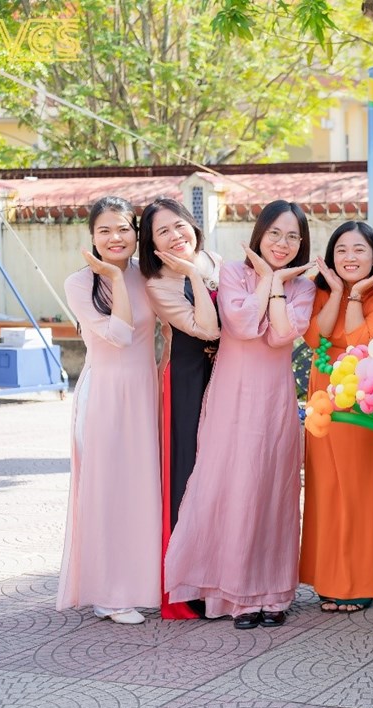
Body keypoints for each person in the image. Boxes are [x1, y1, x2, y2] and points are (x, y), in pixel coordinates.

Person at [164, 200, 316, 629]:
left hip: (274, 402)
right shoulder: (232, 272)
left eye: (293, 236)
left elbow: (282, 334)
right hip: (231, 398)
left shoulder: (303, 288)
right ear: (259, 234)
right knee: (228, 488)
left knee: (271, 491)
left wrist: (277, 284)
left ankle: (273, 593)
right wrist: (267, 280)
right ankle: (233, 592)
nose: (283, 243)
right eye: (275, 233)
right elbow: (242, 324)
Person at [57, 196, 160, 623]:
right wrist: (114, 277)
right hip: (103, 395)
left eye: (123, 228)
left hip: (145, 392)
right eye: (104, 230)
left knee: (140, 489)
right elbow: (118, 335)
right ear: (92, 237)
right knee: (108, 491)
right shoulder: (80, 283)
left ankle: (138, 583)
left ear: (136, 233)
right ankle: (108, 593)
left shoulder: (148, 274)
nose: (115, 237)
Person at [299, 221, 373, 612]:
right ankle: (328, 580)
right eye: (341, 250)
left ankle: (358, 582)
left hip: (363, 399)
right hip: (323, 397)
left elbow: (360, 342)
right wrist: (339, 293)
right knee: (325, 487)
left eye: (359, 250)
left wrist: (355, 296)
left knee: (359, 489)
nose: (349, 257)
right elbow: (313, 339)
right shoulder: (320, 292)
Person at [138, 197, 221, 620]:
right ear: (152, 244)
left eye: (179, 225)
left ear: (193, 225)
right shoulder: (158, 285)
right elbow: (208, 328)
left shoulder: (215, 260)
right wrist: (191, 274)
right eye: (163, 232)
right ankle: (189, 585)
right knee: (188, 474)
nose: (175, 235)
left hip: (226, 377)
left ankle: (223, 576)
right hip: (187, 382)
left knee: (222, 473)